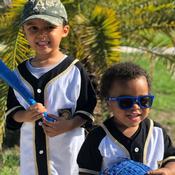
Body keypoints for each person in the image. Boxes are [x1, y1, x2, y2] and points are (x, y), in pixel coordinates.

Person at [5, 0, 97, 175]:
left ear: (64, 30)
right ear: (24, 32)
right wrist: (26, 115)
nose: (41, 34)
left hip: (67, 162)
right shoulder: (19, 74)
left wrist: (68, 125)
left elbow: (86, 111)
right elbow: (12, 112)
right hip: (31, 163)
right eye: (33, 28)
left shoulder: (74, 71)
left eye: (49, 27)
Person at [77, 62, 175, 175]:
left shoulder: (157, 132)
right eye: (126, 102)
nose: (136, 107)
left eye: (144, 101)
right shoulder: (97, 138)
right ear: (109, 103)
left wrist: (168, 170)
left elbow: (171, 159)